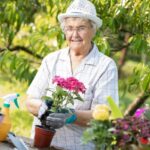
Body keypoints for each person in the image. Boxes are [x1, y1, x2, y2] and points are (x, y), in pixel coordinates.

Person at [26, 0, 119, 149]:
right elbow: (30, 101)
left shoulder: (106, 66)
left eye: (81, 28)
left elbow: (103, 114)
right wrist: (41, 107)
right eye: (69, 28)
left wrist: (71, 116)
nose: (74, 34)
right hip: (41, 145)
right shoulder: (52, 60)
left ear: (92, 30)